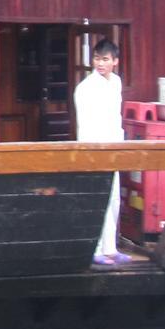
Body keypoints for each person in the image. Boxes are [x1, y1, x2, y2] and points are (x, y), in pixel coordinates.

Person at [74, 38, 127, 265]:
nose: (100, 63)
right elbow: (85, 124)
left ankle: (110, 248)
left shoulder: (116, 82)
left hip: (113, 147)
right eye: (97, 58)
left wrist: (119, 144)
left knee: (113, 199)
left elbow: (116, 116)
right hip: (94, 148)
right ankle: (93, 250)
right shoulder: (86, 88)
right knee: (95, 199)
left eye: (105, 59)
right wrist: (90, 153)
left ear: (115, 61)